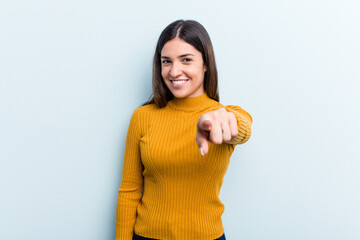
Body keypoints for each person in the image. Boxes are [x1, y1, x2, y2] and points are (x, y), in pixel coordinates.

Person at [115, 19, 252, 240]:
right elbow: (129, 191)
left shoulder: (222, 116)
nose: (174, 71)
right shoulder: (142, 117)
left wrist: (225, 117)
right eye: (166, 61)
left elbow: (242, 127)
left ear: (206, 64)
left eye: (186, 60)